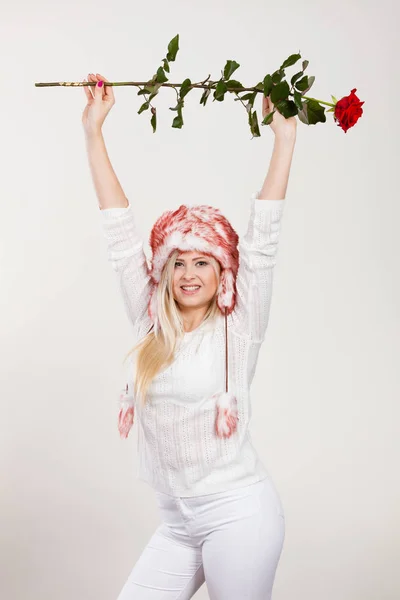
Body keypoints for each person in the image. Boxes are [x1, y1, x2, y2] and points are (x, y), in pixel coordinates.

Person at [83, 72, 297, 600]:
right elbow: (118, 232)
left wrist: (284, 139)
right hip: (177, 521)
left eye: (203, 262)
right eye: (178, 263)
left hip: (239, 514)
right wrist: (94, 132)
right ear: (163, 270)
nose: (189, 274)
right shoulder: (149, 318)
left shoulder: (239, 327)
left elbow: (263, 241)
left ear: (223, 272)